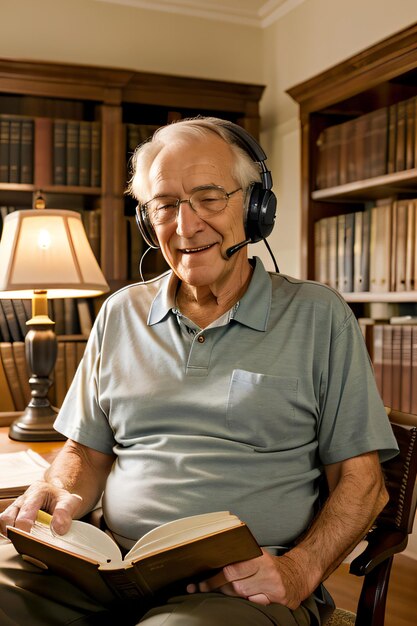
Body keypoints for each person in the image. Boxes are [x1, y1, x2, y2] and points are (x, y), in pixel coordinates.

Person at [0, 116, 398, 626]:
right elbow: (85, 454)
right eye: (165, 205)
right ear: (147, 220)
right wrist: (56, 489)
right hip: (104, 568)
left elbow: (363, 484)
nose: (186, 226)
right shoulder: (119, 314)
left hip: (238, 587)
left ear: (256, 209)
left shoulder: (320, 317)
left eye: (209, 197)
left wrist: (299, 571)